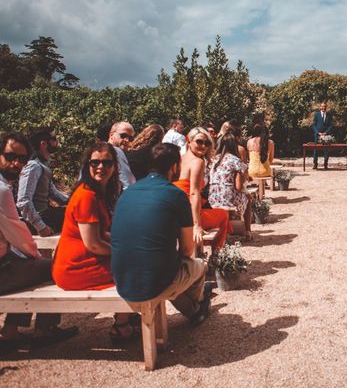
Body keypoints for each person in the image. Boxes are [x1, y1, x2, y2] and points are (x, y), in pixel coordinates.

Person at [111, 143, 213, 326]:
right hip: (155, 281)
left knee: (165, 267)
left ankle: (194, 312)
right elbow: (188, 249)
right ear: (174, 166)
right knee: (198, 265)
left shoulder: (127, 193)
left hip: (122, 278)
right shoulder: (175, 195)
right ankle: (197, 304)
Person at [51, 142, 138, 341]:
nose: (101, 167)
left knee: (135, 261)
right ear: (87, 165)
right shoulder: (86, 196)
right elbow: (93, 244)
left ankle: (128, 315)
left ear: (115, 166)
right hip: (75, 266)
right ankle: (122, 325)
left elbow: (101, 234)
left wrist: (124, 244)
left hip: (84, 258)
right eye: (95, 162)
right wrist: (123, 253)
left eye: (107, 162)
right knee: (135, 269)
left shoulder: (97, 193)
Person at [0, 132, 78, 350]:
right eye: (10, 156)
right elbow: (19, 233)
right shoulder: (3, 189)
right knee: (55, 268)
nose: (18, 163)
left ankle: (11, 330)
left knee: (26, 264)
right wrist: (35, 252)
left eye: (22, 159)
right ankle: (45, 329)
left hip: (6, 259)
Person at [174, 128, 230, 249]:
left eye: (207, 143)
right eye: (199, 141)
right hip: (188, 214)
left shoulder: (178, 159)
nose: (203, 146)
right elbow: (194, 194)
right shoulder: (198, 162)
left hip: (175, 211)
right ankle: (217, 256)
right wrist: (197, 225)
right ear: (188, 140)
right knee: (223, 215)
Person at [16, 127, 69, 236]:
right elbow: (23, 201)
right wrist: (41, 226)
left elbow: (53, 192)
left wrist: (73, 200)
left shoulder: (43, 166)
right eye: (53, 139)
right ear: (43, 144)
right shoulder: (33, 166)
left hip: (46, 214)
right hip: (37, 220)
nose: (56, 142)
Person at [209, 133, 252, 235]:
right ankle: (248, 231)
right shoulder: (235, 161)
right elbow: (238, 187)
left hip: (212, 197)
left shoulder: (213, 160)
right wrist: (247, 192)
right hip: (227, 198)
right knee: (248, 198)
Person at [107, 121, 136, 190]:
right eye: (123, 136)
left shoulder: (95, 150)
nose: (127, 140)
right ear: (111, 135)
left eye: (130, 138)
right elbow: (129, 185)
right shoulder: (116, 151)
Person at [311, 102, 333, 170]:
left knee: (326, 150)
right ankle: (315, 164)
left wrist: (326, 132)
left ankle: (325, 164)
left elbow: (331, 125)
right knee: (316, 150)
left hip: (326, 135)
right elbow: (314, 125)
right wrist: (318, 132)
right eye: (322, 106)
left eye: (324, 107)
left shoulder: (329, 115)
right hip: (317, 135)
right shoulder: (317, 114)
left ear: (326, 107)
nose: (323, 108)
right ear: (320, 107)